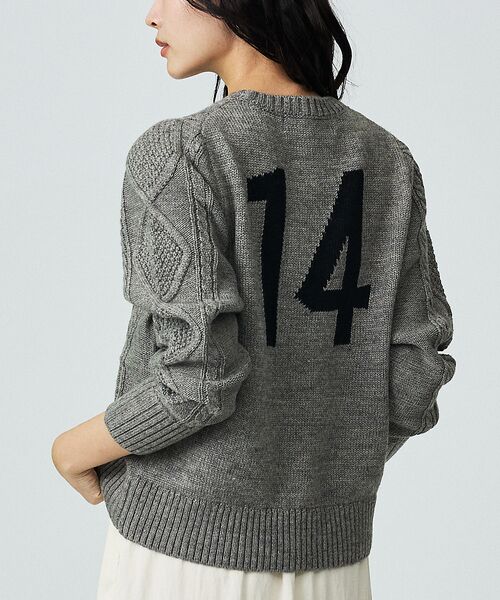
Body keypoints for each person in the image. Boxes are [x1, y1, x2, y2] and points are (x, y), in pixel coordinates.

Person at [51, 1, 457, 599]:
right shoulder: (389, 160)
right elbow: (414, 377)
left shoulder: (182, 152)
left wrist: (69, 450)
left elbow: (196, 382)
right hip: (335, 564)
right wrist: (326, 472)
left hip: (185, 556)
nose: (151, 15)